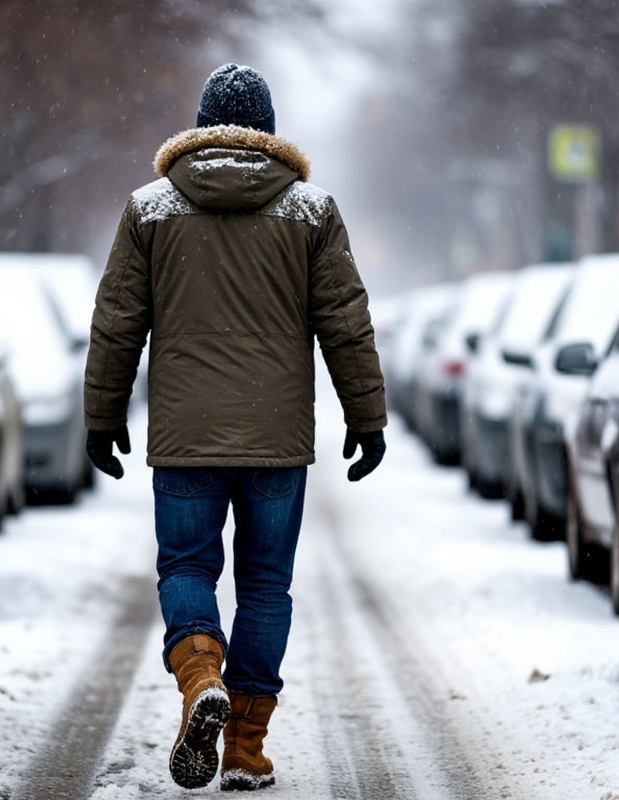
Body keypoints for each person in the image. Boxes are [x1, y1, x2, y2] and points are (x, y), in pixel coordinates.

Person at [83, 62, 387, 792]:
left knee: (187, 568)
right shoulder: (311, 213)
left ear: (198, 125)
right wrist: (366, 416)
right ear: (273, 134)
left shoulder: (151, 209)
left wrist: (102, 416)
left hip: (186, 434)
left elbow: (118, 321)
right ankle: (245, 748)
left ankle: (199, 678)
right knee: (265, 587)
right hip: (276, 440)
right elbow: (346, 323)